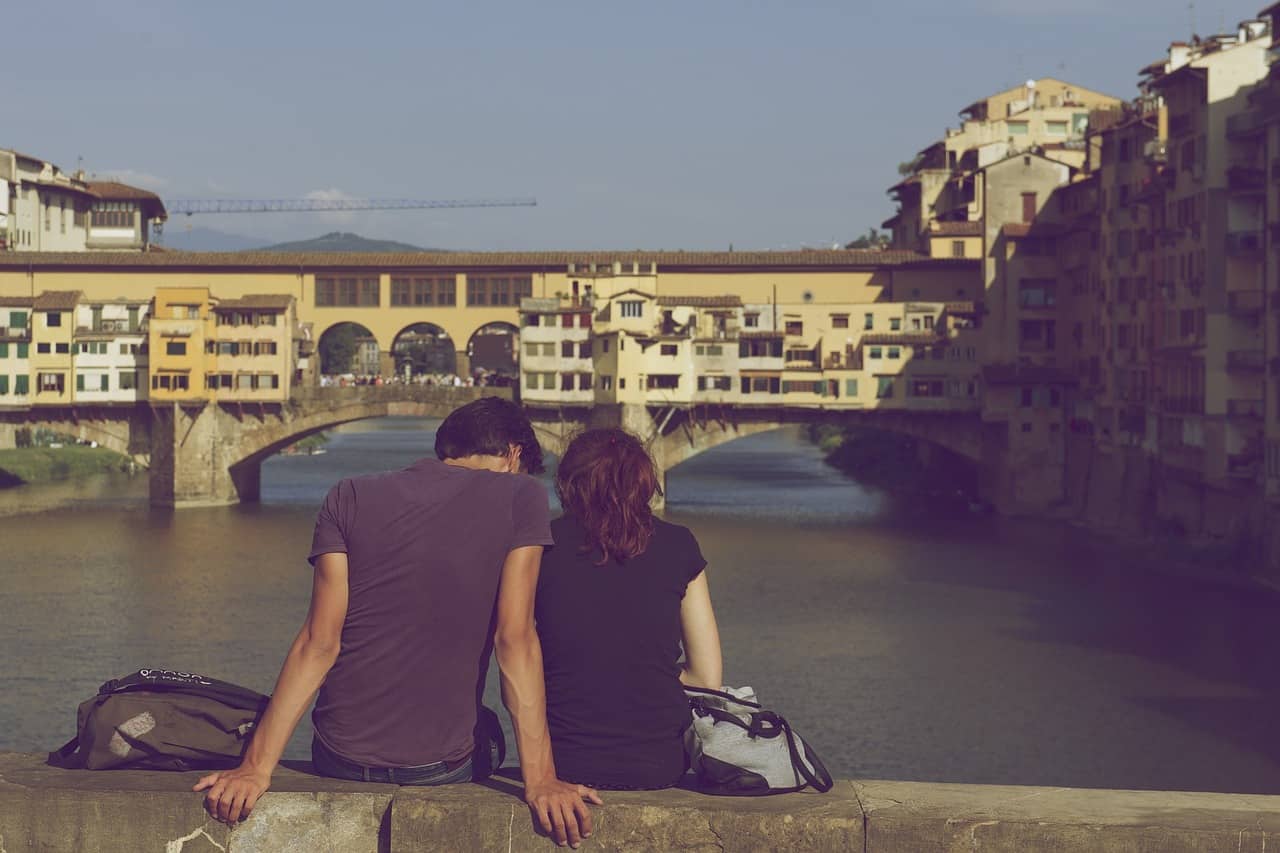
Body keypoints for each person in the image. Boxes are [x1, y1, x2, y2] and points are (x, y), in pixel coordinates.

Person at [194, 397, 602, 848]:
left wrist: (255, 769)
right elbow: (515, 640)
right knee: (485, 730)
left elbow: (318, 642)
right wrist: (542, 779)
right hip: (438, 768)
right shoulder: (520, 496)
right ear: (514, 455)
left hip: (337, 756)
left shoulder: (346, 494)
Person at [535, 428, 723, 790]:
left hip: (563, 761)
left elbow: (515, 650)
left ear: (567, 483)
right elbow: (706, 678)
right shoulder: (680, 545)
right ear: (644, 481)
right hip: (660, 763)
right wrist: (641, 673)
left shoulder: (539, 546)